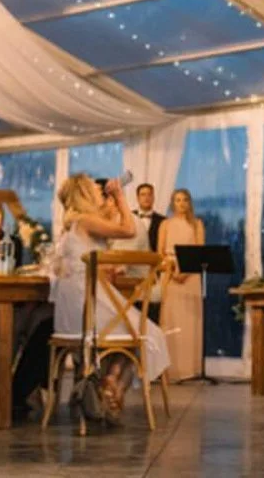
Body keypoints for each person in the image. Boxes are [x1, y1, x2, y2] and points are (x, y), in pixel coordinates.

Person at [53, 174, 170, 424]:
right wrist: (119, 196)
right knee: (146, 335)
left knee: (136, 333)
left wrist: (106, 269)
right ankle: (113, 384)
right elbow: (128, 229)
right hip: (86, 309)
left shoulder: (76, 223)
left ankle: (110, 385)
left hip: (74, 311)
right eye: (96, 190)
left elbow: (85, 260)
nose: (101, 192)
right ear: (85, 195)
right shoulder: (85, 220)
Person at [157, 188, 205, 381]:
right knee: (170, 320)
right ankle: (170, 370)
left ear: (189, 202)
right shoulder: (165, 224)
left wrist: (185, 271)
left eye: (185, 199)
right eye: (177, 200)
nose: (181, 203)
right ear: (172, 203)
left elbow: (200, 252)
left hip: (190, 275)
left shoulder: (197, 224)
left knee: (189, 321)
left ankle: (189, 369)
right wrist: (171, 269)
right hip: (169, 273)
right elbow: (160, 252)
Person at [134, 183, 167, 254]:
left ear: (153, 198)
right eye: (143, 195)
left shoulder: (163, 220)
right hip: (131, 257)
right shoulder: (129, 217)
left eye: (149, 194)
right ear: (137, 198)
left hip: (154, 258)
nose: (146, 198)